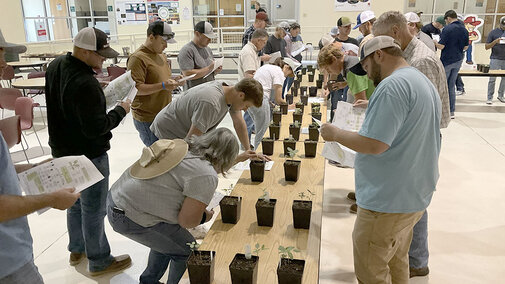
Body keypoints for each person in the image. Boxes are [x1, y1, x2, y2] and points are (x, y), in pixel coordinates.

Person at [321, 35, 441, 284]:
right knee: (397, 260)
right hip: (412, 195)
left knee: (371, 269)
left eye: (365, 67)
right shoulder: (419, 80)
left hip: (386, 201)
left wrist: (335, 134)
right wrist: (372, 107)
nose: (365, 73)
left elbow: (374, 145)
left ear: (379, 55)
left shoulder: (391, 86)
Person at [45, 27, 132, 275]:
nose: (104, 59)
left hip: (62, 150)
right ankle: (100, 259)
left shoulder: (57, 65)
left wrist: (96, 90)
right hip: (88, 157)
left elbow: (67, 102)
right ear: (83, 51)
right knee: (94, 208)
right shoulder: (85, 83)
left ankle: (77, 248)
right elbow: (97, 128)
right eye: (100, 54)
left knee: (74, 203)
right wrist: (121, 110)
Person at [371, 11, 451, 278]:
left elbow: (422, 112)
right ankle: (411, 257)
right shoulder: (411, 56)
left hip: (420, 138)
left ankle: (417, 260)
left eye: (381, 39)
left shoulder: (421, 60)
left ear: (395, 32)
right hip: (415, 136)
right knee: (410, 199)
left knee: (414, 199)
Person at [107, 128, 239, 284]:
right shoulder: (206, 174)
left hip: (116, 199)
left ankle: (149, 281)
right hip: (130, 215)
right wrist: (205, 216)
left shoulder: (183, 148)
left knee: (167, 242)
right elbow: (187, 221)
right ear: (226, 158)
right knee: (187, 252)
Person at [0, 34, 80, 284]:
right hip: (8, 264)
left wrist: (31, 168)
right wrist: (51, 199)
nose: (5, 68)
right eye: (0, 60)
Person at [151, 78, 265, 162]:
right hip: (167, 132)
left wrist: (248, 151)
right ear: (241, 95)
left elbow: (239, 123)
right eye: (247, 106)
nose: (245, 110)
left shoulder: (231, 90)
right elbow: (191, 142)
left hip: (183, 131)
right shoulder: (211, 104)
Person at [128, 21, 183, 146]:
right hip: (148, 118)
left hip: (163, 113)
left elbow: (160, 78)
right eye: (163, 42)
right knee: (157, 156)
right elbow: (136, 89)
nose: (165, 46)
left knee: (167, 152)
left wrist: (174, 80)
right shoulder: (138, 58)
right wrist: (163, 85)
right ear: (151, 37)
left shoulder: (161, 55)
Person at [248, 57, 299, 149]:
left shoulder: (267, 67)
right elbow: (279, 99)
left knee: (259, 128)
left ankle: (257, 156)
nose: (286, 76)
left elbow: (263, 87)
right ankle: (258, 157)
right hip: (259, 100)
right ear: (286, 67)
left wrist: (271, 104)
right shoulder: (279, 72)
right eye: (288, 74)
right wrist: (288, 106)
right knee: (262, 133)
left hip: (249, 100)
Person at [318, 43, 373, 122]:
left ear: (334, 59)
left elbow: (361, 102)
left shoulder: (352, 70)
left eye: (327, 68)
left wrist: (344, 112)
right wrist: (344, 84)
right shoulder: (350, 62)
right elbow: (362, 80)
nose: (328, 72)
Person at [435, 9, 469, 119]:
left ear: (448, 19)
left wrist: (434, 42)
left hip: (447, 61)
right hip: (458, 60)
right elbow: (465, 47)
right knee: (451, 86)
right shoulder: (464, 29)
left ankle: (440, 111)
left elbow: (442, 46)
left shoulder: (447, 29)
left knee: (442, 86)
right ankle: (451, 111)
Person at [238, 29, 269, 144]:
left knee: (250, 119)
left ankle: (246, 144)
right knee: (248, 119)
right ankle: (246, 144)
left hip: (251, 90)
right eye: (264, 42)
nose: (264, 45)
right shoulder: (248, 52)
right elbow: (249, 75)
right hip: (249, 91)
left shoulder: (253, 51)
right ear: (258, 40)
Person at [178, 21, 221, 89]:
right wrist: (209, 68)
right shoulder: (187, 50)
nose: (210, 40)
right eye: (207, 37)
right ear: (197, 34)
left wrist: (215, 70)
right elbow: (187, 74)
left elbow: (208, 73)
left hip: (209, 90)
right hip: (194, 94)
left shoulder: (208, 49)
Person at [485, 16, 505, 104]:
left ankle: (501, 95)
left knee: (504, 79)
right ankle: (489, 97)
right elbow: (486, 47)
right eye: (503, 25)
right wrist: (495, 42)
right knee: (492, 79)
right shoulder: (493, 32)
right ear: (500, 23)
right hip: (495, 58)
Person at [283, 22, 305, 97]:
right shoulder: (287, 38)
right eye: (296, 32)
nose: (297, 34)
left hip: (297, 59)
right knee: (287, 79)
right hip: (290, 60)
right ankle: (285, 95)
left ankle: (289, 93)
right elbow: (287, 52)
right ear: (291, 29)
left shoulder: (299, 37)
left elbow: (301, 45)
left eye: (298, 32)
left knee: (294, 78)